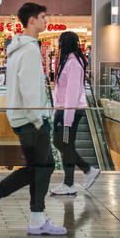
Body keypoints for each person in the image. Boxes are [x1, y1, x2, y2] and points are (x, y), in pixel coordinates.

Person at [0, 3, 67, 235]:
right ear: (32, 20)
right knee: (41, 166)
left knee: (40, 166)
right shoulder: (30, 50)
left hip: (21, 117)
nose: (46, 21)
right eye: (43, 17)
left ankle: (35, 218)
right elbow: (30, 88)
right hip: (31, 118)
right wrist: (38, 119)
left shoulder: (18, 49)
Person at [50, 31, 100, 195]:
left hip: (69, 111)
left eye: (60, 42)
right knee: (62, 143)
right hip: (63, 110)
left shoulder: (73, 63)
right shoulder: (69, 61)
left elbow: (72, 92)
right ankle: (83, 173)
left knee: (64, 143)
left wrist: (66, 119)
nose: (58, 46)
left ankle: (72, 181)